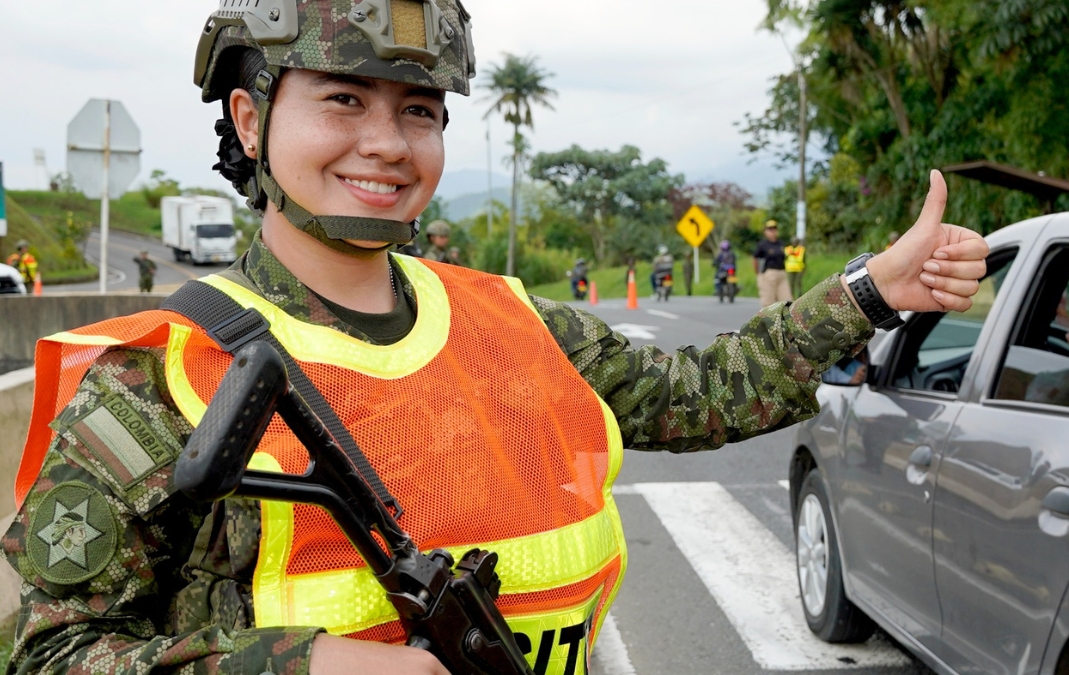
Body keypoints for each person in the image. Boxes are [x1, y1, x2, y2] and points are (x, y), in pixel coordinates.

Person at [4, 2, 988, 673]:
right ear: (251, 120)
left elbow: (702, 391)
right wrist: (290, 665)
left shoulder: (511, 322)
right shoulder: (159, 377)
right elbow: (46, 650)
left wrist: (868, 292)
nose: (387, 143)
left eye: (418, 112)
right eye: (342, 100)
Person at [754, 220, 790, 307]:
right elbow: (755, 258)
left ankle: (783, 319)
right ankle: (768, 320)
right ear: (765, 232)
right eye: (770, 229)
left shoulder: (781, 243)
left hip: (781, 273)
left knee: (787, 302)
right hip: (769, 273)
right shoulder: (763, 245)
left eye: (774, 229)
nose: (772, 232)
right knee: (768, 302)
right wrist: (758, 273)